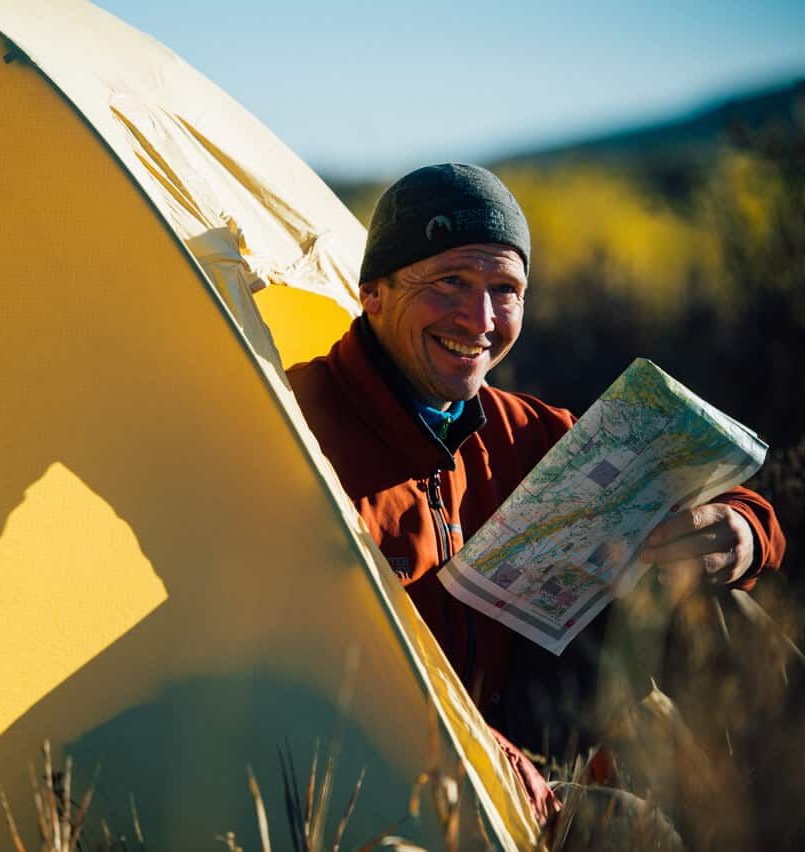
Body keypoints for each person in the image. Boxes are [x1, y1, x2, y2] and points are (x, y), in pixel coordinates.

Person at [286, 163, 787, 822]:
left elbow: (735, 522)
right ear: (372, 292)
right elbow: (319, 674)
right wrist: (515, 783)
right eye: (451, 282)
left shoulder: (528, 432)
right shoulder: (296, 426)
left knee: (730, 606)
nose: (481, 319)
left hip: (538, 750)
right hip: (394, 777)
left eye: (506, 288)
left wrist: (741, 535)